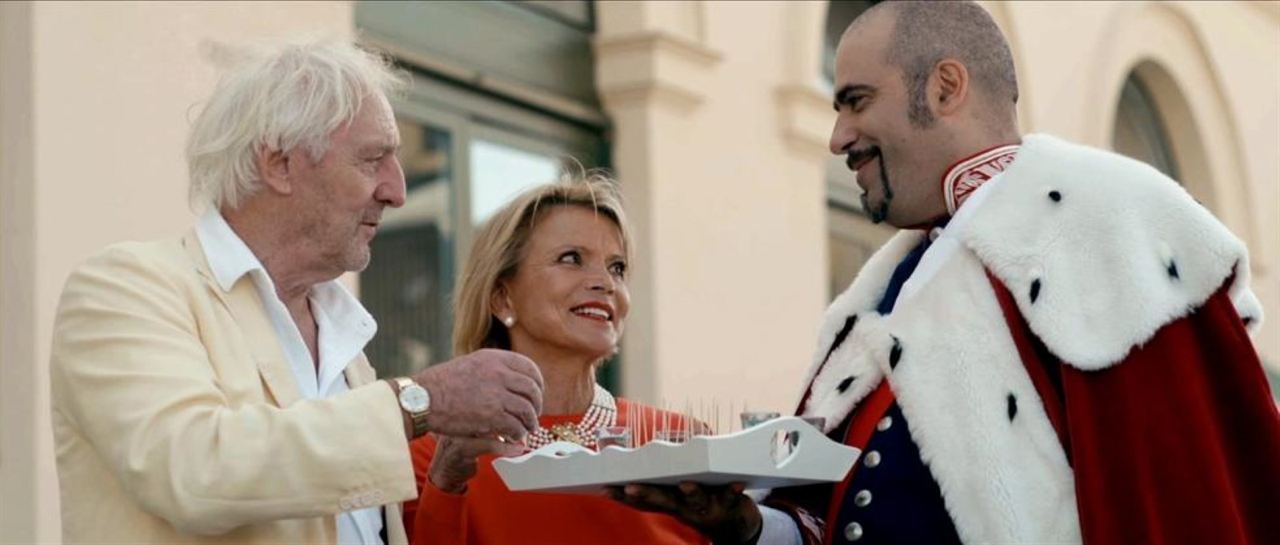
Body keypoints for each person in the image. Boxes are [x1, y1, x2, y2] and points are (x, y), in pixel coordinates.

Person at [611, 2, 1280, 544]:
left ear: (946, 86)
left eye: (856, 100)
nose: (838, 136)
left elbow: (1181, 510)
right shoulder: (877, 294)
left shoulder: (1109, 224)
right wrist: (751, 527)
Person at [49, 39, 544, 545]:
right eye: (373, 160)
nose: (396, 191)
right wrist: (419, 401)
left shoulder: (341, 333)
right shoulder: (125, 287)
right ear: (280, 164)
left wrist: (447, 474)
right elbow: (193, 472)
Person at [404, 174, 707, 545]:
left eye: (617, 268)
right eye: (572, 259)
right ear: (502, 298)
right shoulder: (435, 457)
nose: (605, 283)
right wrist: (446, 485)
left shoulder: (681, 442)